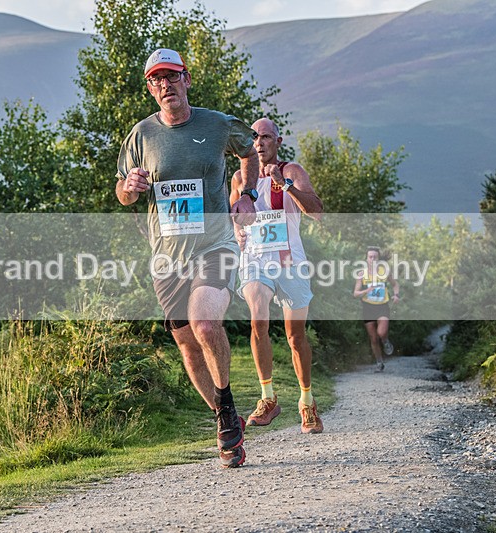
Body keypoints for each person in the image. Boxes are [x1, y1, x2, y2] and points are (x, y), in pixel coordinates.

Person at [116, 48, 259, 468]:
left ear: (186, 79)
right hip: (167, 257)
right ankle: (223, 416)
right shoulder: (140, 135)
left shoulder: (215, 124)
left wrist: (246, 195)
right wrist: (132, 186)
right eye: (157, 79)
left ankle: (228, 408)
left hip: (215, 245)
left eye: (172, 77)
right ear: (150, 87)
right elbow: (122, 193)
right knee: (187, 345)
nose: (165, 85)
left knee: (204, 322)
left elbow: (248, 151)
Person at [230, 118, 325, 434]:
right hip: (255, 261)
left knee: (295, 337)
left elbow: (317, 211)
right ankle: (267, 397)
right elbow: (235, 216)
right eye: (254, 138)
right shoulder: (239, 179)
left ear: (278, 142)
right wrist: (237, 232)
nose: (259, 143)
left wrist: (284, 186)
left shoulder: (291, 171)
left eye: (266, 137)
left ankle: (307, 402)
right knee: (258, 319)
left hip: (290, 262)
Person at [353, 246, 400, 372]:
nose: (372, 259)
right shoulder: (361, 274)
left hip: (382, 306)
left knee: (381, 333)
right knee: (373, 338)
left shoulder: (384, 272)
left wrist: (396, 295)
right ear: (366, 258)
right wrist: (365, 290)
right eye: (370, 257)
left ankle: (385, 341)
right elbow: (355, 293)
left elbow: (395, 284)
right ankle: (379, 362)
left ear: (378, 259)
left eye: (375, 257)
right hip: (368, 307)